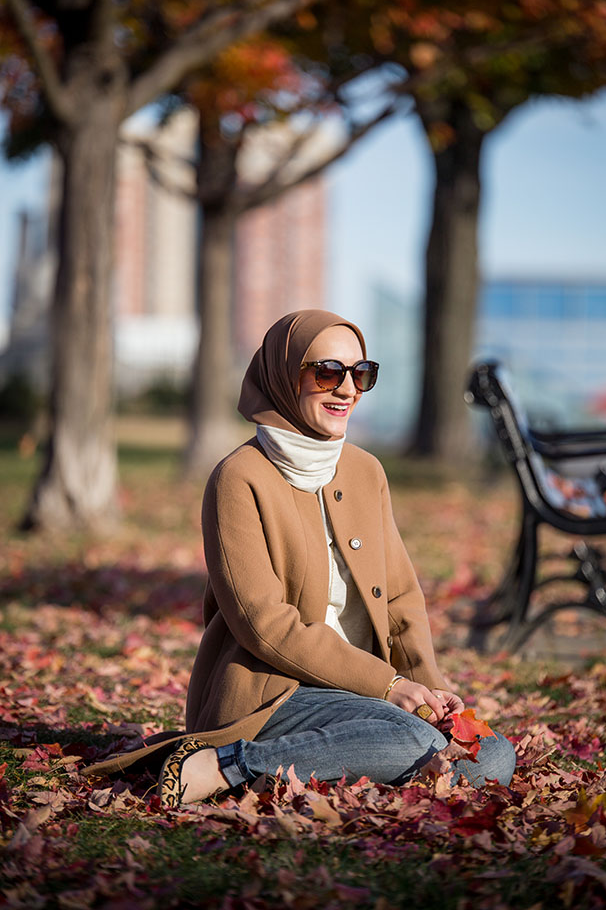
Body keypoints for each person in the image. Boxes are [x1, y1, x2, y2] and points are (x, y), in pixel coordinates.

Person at [86, 310, 516, 803]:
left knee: (494, 754)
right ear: (284, 376)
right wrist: (386, 684)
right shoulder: (239, 478)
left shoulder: (365, 471)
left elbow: (400, 599)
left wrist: (427, 688)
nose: (347, 389)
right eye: (327, 372)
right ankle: (228, 765)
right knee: (412, 741)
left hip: (366, 694)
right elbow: (263, 623)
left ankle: (353, 760)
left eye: (362, 374)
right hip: (272, 691)